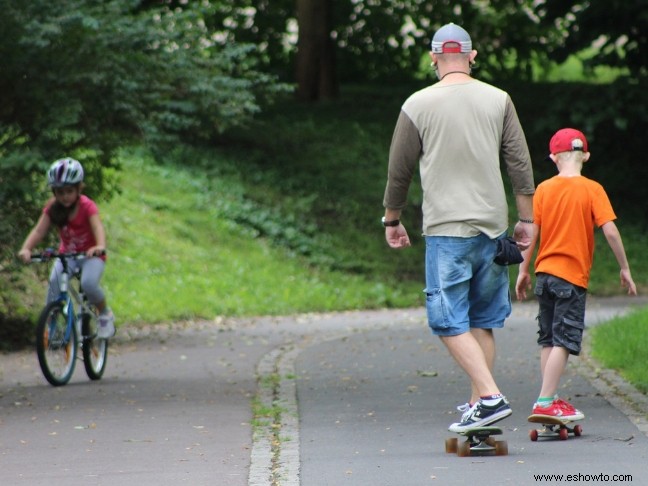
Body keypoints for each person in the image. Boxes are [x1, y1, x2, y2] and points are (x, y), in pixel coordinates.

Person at [382, 22, 535, 432]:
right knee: (481, 321)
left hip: (447, 230)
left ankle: (488, 397)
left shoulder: (417, 104)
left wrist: (392, 219)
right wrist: (526, 219)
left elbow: (399, 173)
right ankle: (479, 412)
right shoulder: (499, 99)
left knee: (448, 320)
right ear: (472, 56)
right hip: (492, 229)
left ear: (433, 58)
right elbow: (519, 165)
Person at [515, 128, 637, 419]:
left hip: (544, 275)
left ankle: (550, 398)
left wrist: (522, 269)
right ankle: (545, 402)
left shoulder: (543, 189)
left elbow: (532, 232)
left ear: (553, 157)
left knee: (548, 339)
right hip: (570, 278)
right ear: (587, 155)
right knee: (564, 340)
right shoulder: (592, 189)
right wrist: (624, 268)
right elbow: (610, 230)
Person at [18, 158, 116, 339]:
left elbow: (97, 227)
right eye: (60, 192)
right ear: (54, 192)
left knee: (88, 283)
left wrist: (99, 246)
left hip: (91, 255)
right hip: (68, 255)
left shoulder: (87, 206)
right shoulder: (52, 208)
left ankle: (104, 314)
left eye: (69, 191)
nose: (65, 196)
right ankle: (52, 322)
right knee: (55, 281)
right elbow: (39, 231)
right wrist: (27, 249)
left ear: (79, 189)